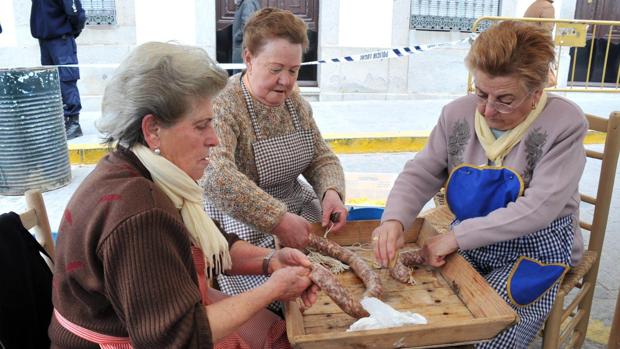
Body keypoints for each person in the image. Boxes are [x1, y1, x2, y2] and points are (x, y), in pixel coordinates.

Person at [48, 42, 319, 348]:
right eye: (202, 126)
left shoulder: (143, 169)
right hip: (132, 340)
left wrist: (271, 261)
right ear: (152, 130)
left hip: (158, 324)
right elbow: (179, 336)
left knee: (278, 332)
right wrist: (271, 290)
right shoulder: (141, 212)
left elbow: (208, 245)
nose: (214, 139)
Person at [372, 21, 587, 348]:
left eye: (505, 99)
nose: (487, 110)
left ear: (536, 93)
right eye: (481, 93)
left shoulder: (564, 124)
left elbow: (539, 209)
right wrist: (394, 219)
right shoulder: (456, 114)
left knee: (491, 325)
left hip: (536, 245)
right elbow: (423, 171)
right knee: (427, 307)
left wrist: (456, 238)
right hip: (469, 234)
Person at [203, 7, 347, 311]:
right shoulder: (224, 105)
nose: (285, 80)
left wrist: (331, 192)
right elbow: (216, 177)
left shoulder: (296, 103)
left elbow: (320, 157)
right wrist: (277, 219)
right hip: (242, 228)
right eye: (276, 68)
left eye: (293, 71)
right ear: (248, 58)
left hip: (298, 213)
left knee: (338, 284)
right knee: (291, 302)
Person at [30, 0, 86, 140]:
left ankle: (73, 123)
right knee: (50, 81)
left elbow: (76, 13)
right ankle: (59, 121)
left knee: (67, 79)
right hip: (45, 40)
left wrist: (73, 31)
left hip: (61, 39)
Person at [232, 0, 261, 69]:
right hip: (244, 46)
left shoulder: (248, 3)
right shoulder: (246, 3)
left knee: (240, 76)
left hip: (243, 46)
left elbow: (247, 24)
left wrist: (237, 37)